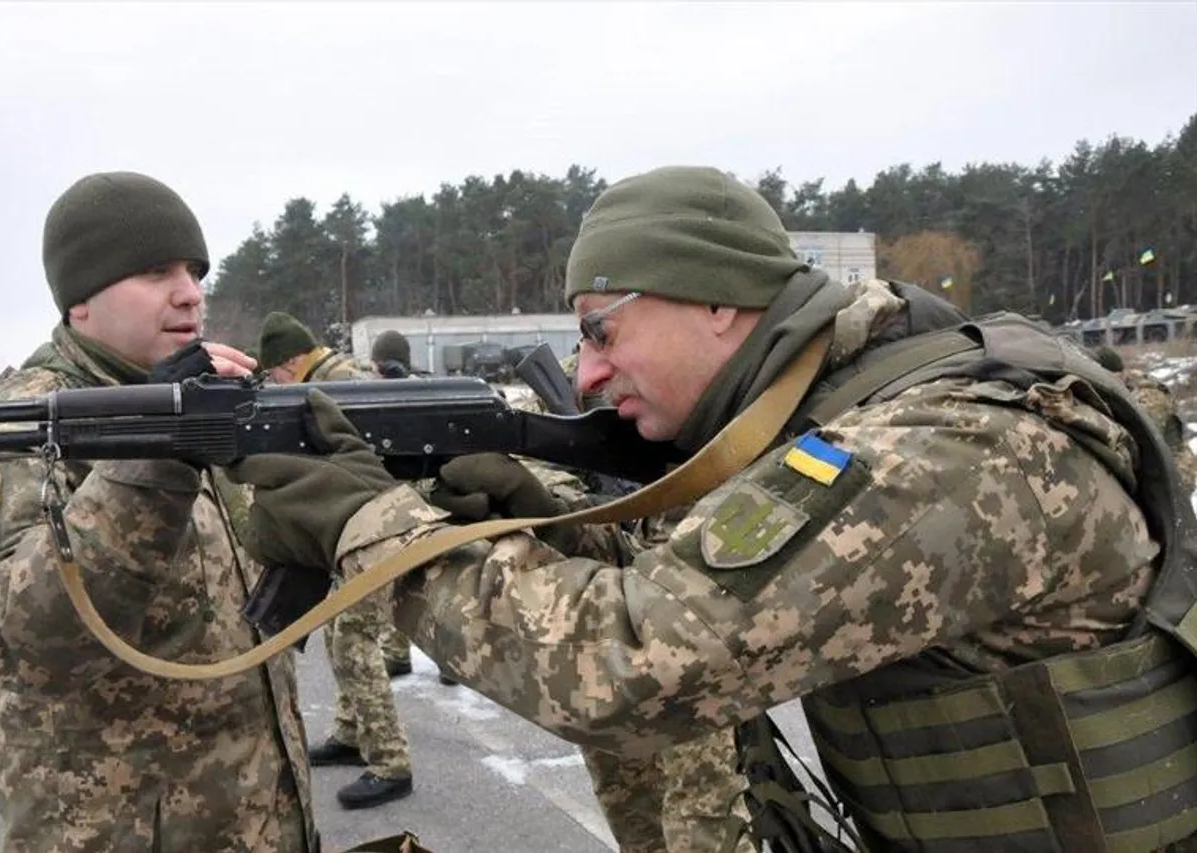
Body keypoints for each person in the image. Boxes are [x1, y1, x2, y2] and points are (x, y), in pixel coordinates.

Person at [230, 166, 1197, 852]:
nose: (588, 370)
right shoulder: (849, 407)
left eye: (602, 330)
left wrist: (374, 524)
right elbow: (709, 566)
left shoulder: (937, 451)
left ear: (720, 302)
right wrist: (555, 517)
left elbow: (632, 667)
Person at [0, 171, 319, 853]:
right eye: (154, 270)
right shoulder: (20, 423)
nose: (190, 293)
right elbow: (6, 640)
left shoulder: (207, 395)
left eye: (196, 272)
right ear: (81, 299)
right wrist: (158, 454)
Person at [514, 353, 757, 853]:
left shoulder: (694, 379)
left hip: (686, 634)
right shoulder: (578, 381)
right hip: (602, 625)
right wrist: (565, 503)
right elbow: (534, 462)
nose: (594, 360)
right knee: (625, 794)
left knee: (703, 809)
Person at [258, 311, 415, 809]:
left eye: (275, 372)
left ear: (292, 360)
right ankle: (351, 732)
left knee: (352, 637)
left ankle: (391, 763)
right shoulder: (332, 380)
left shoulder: (338, 385)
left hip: (377, 528)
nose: (275, 382)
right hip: (366, 527)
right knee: (340, 632)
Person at [1094, 344, 1197, 492]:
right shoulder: (1124, 388)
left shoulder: (1148, 396)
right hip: (1155, 470)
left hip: (1175, 473)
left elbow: (1142, 440)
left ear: (1119, 374)